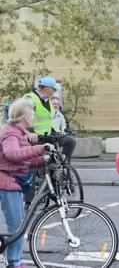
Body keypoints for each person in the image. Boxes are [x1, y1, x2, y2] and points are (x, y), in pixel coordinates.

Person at [0, 98, 54, 268]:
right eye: (32, 115)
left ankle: (15, 261)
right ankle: (15, 263)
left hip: (12, 181)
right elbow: (13, 154)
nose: (34, 118)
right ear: (25, 117)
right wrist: (40, 148)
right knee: (16, 225)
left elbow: (24, 160)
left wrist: (44, 159)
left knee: (18, 224)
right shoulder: (11, 132)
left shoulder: (18, 132)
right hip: (7, 182)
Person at [23, 76, 77, 209]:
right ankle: (28, 200)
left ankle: (62, 167)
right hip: (33, 137)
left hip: (48, 135)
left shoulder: (47, 100)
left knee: (70, 142)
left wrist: (60, 133)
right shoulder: (31, 99)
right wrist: (29, 132)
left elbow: (50, 119)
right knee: (33, 166)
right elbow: (23, 117)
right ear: (46, 88)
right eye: (52, 90)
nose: (54, 92)